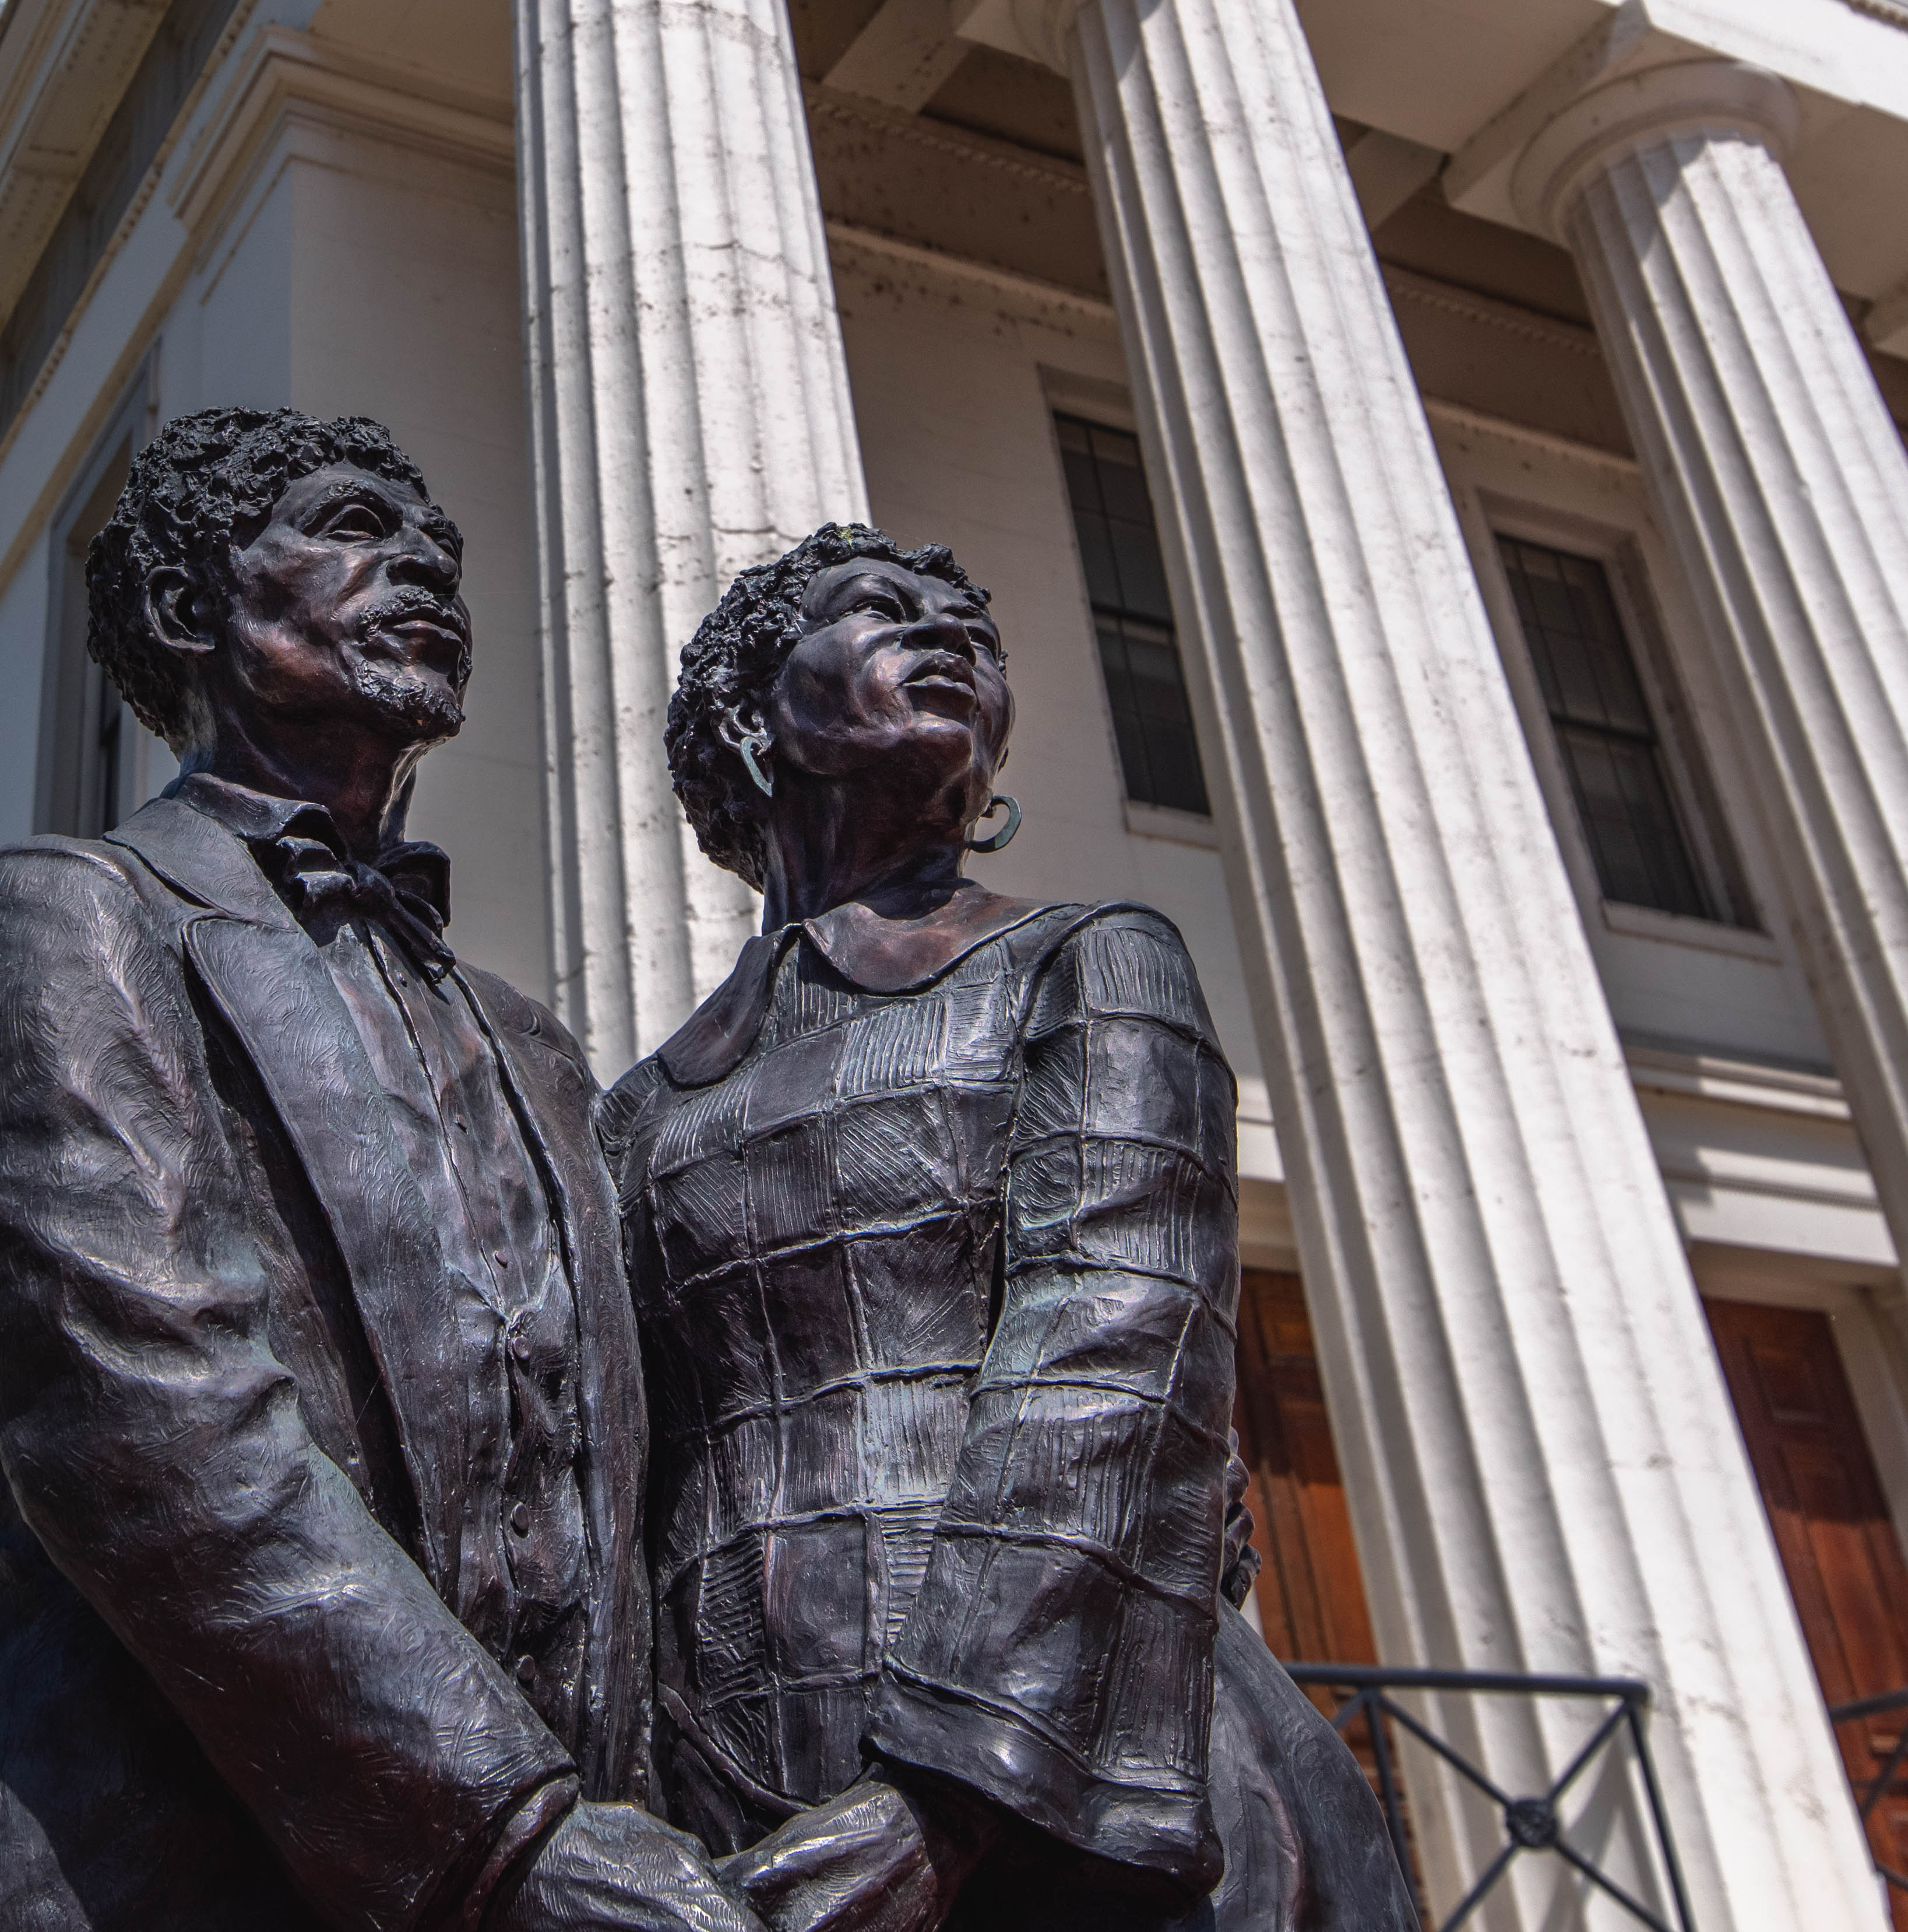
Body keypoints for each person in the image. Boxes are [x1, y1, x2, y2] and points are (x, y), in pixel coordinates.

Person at [0, 408, 762, 1932]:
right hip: (142, 1880)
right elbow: (155, 1438)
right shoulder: (63, 925)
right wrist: (508, 1842)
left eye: (436, 549)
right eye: (350, 524)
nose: (418, 561)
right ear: (181, 609)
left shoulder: (531, 1048)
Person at [602, 524, 1406, 1932]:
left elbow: (1113, 1365)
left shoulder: (1088, 960)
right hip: (725, 1791)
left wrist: (951, 1796)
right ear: (747, 716)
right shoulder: (634, 1114)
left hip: (1061, 1790)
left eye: (970, 620)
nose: (953, 635)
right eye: (881, 609)